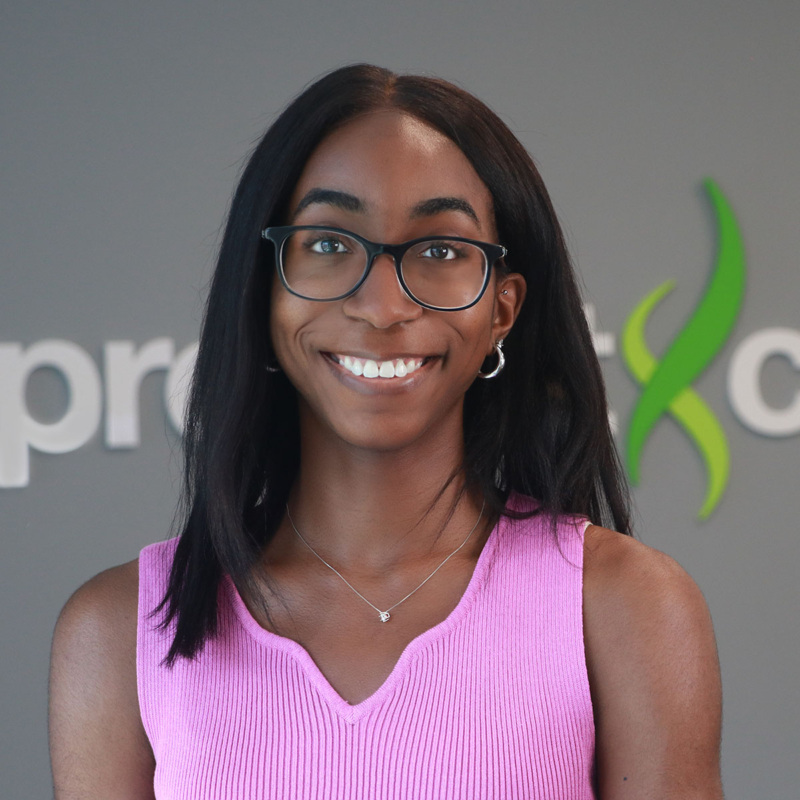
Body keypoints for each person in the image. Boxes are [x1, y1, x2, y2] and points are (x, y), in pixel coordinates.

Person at [49, 64, 724, 799]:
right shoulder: (120, 632)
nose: (382, 305)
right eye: (331, 244)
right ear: (266, 290)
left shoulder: (623, 607)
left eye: (439, 251)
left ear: (501, 310)